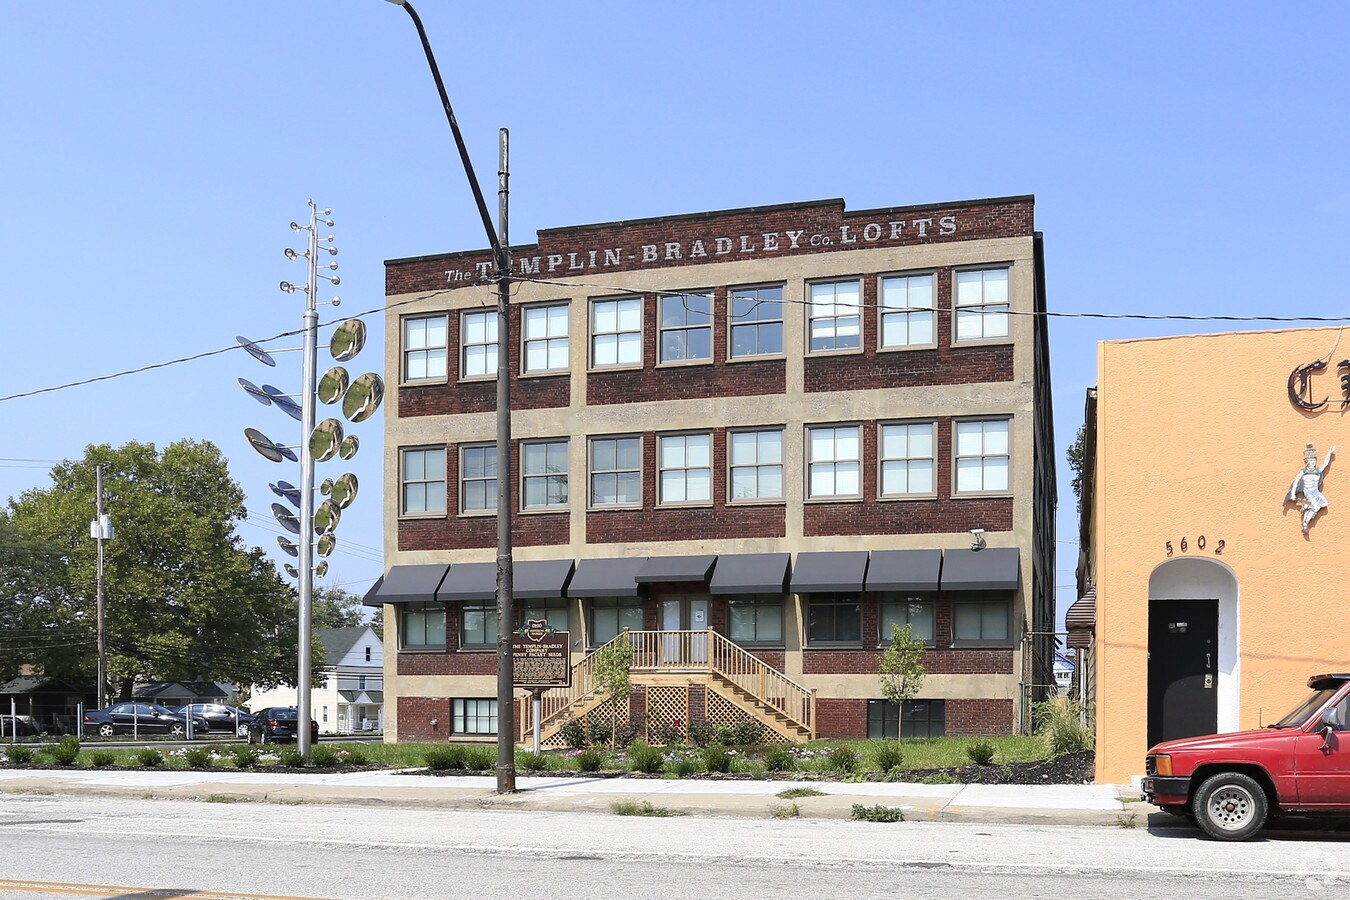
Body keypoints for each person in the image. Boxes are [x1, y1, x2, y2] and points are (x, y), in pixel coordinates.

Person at [1287, 442, 1334, 534]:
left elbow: (1325, 464)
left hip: (1315, 492)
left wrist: (1329, 453)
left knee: (1324, 503)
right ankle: (1305, 523)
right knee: (1316, 506)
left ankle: (1306, 505)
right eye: (1311, 460)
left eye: (1314, 460)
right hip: (1308, 492)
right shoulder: (1303, 471)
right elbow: (1296, 482)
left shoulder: (1317, 471)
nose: (1313, 462)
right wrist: (1292, 494)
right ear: (1307, 461)